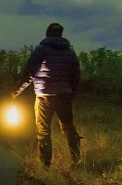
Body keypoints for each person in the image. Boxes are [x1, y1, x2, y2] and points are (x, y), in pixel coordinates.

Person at [12, 22, 80, 166]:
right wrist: (71, 93)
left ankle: (45, 167)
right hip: (64, 95)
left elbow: (29, 73)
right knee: (68, 127)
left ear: (47, 34)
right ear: (61, 35)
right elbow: (76, 76)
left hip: (44, 96)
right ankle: (76, 160)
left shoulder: (41, 50)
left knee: (43, 131)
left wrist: (16, 91)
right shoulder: (70, 52)